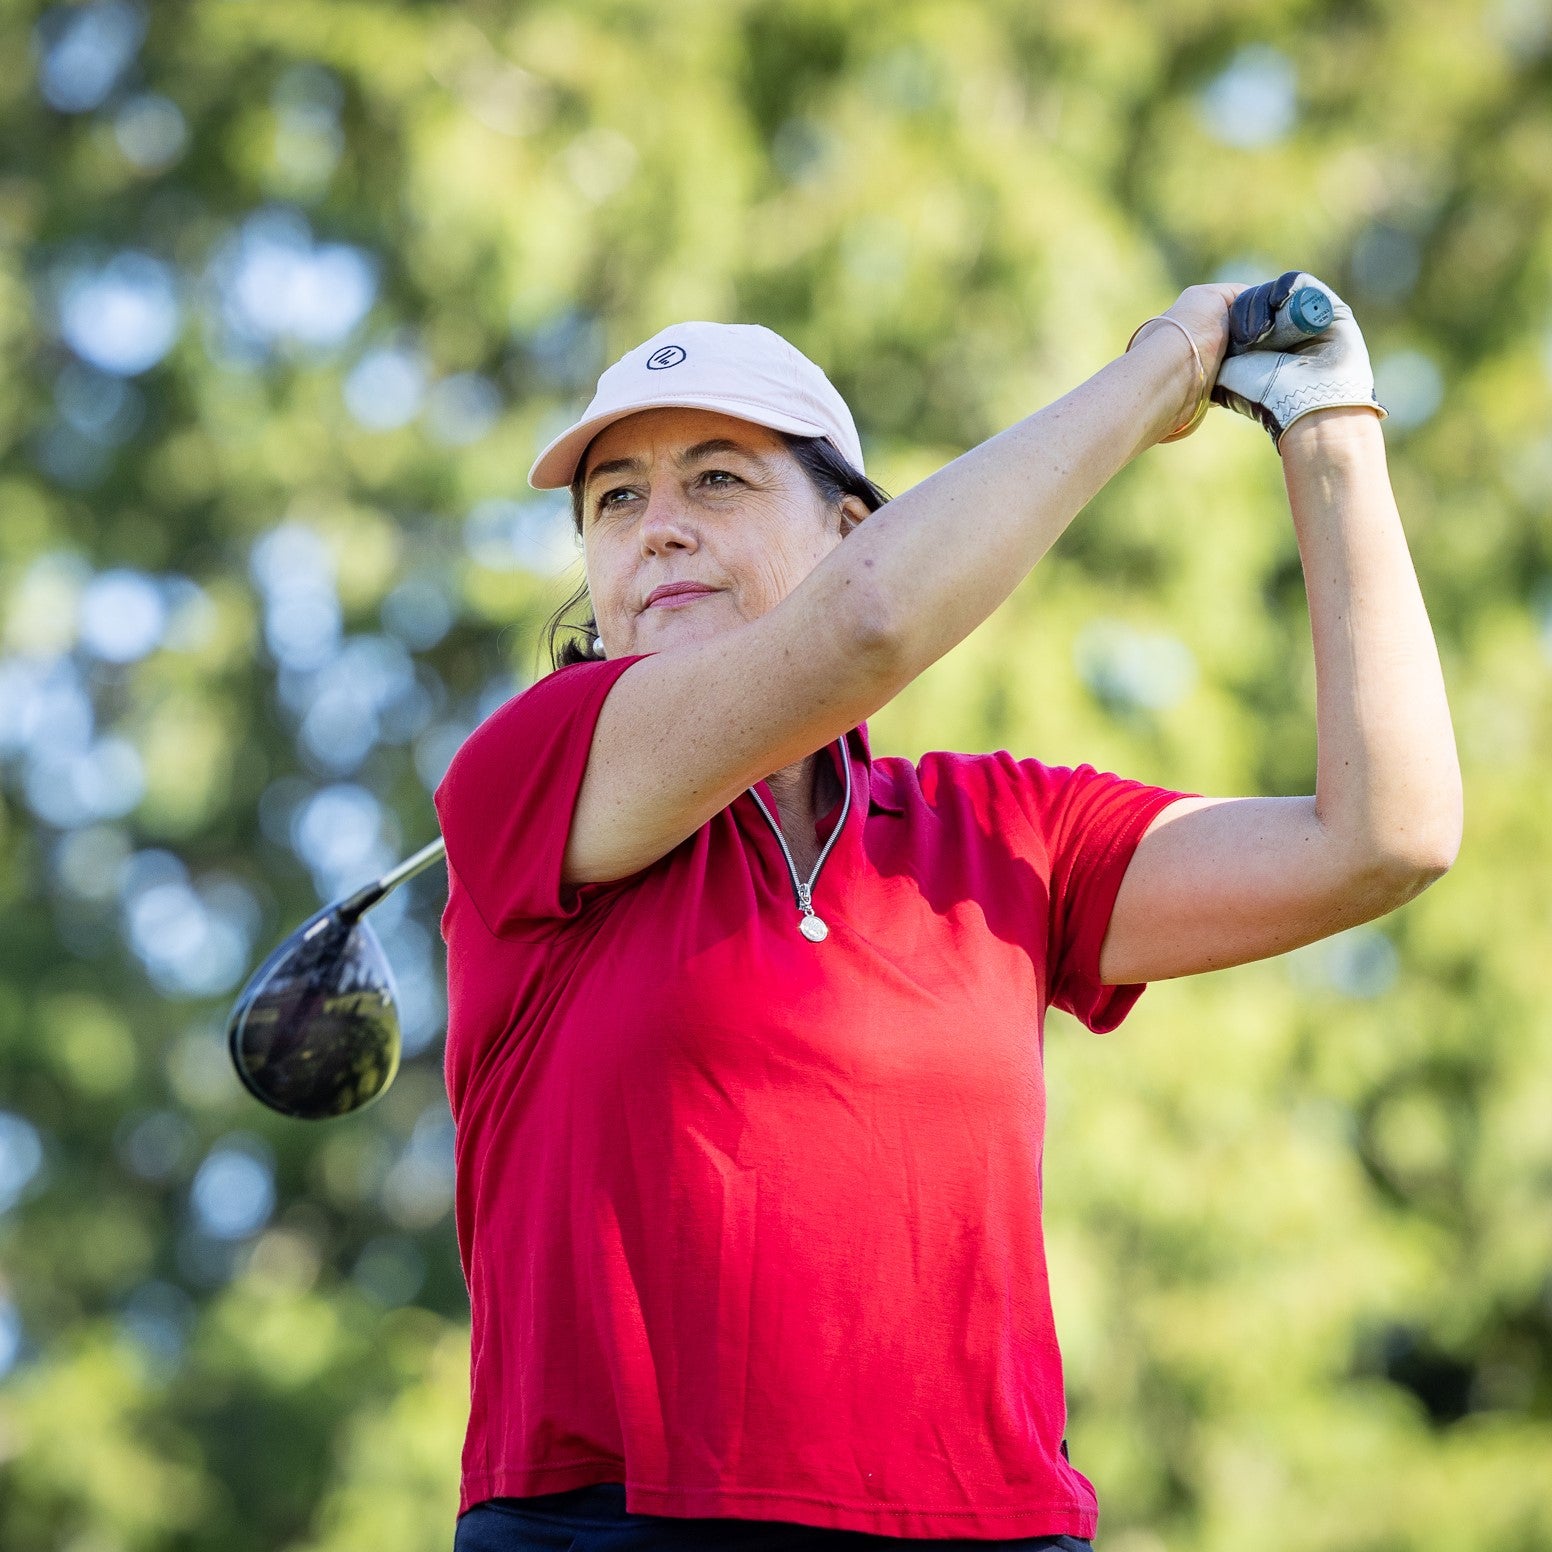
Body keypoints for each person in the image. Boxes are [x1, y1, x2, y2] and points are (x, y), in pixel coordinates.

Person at [434, 277, 1462, 1550]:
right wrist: (1163, 366)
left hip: (988, 1526)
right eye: (616, 499)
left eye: (717, 480)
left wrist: (1328, 425)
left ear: (850, 524)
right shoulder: (531, 771)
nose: (657, 529)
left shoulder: (997, 833)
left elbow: (1384, 836)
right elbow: (870, 623)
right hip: (617, 1522)